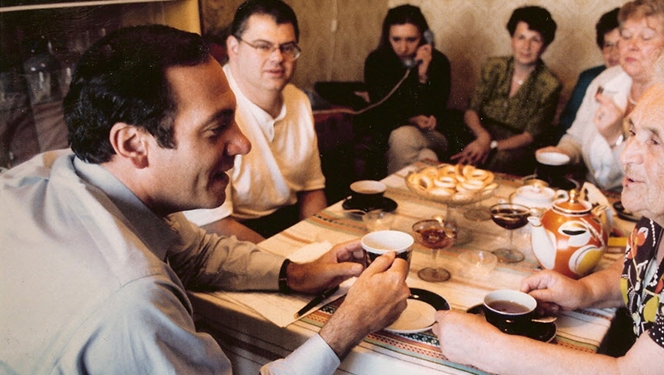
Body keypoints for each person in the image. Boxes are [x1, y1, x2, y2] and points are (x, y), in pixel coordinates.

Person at [0, 25, 410, 375]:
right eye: (216, 129)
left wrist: (298, 273)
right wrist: (346, 328)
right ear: (132, 144)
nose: (242, 143)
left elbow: (192, 252)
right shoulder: (134, 303)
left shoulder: (63, 171)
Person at [433, 43, 664, 374]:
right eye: (633, 132)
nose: (627, 154)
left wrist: (486, 348)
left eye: (655, 141)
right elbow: (643, 272)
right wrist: (586, 290)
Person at [183, 0, 327, 242]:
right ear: (234, 48)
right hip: (231, 236)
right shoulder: (209, 110)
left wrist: (318, 242)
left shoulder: (299, 101)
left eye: (287, 47)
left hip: (290, 226)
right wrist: (292, 262)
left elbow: (311, 189)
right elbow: (213, 224)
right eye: (263, 46)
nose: (277, 58)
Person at [537, 0, 664, 191]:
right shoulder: (606, 81)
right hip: (591, 197)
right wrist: (563, 152)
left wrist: (615, 137)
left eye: (646, 37)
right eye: (626, 36)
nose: (631, 46)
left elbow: (663, 181)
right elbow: (575, 138)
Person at [450, 5, 562, 176]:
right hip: (479, 132)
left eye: (535, 40)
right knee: (453, 146)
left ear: (545, 46)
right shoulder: (493, 67)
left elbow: (529, 136)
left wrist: (490, 146)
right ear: (512, 39)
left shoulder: (550, 84)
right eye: (521, 37)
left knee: (501, 159)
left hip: (514, 147)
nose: (526, 46)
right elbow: (472, 111)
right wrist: (482, 137)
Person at [359, 4, 451, 175]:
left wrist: (423, 76)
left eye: (411, 40)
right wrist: (411, 119)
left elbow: (438, 109)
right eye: (396, 39)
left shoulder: (439, 62)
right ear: (387, 38)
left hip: (432, 136)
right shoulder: (376, 61)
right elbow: (382, 109)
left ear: (424, 38)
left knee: (404, 136)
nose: (403, 48)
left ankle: (393, 197)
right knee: (426, 156)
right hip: (393, 135)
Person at [556, 7, 621, 141]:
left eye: (619, 45)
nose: (613, 53)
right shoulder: (590, 78)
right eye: (608, 45)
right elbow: (566, 124)